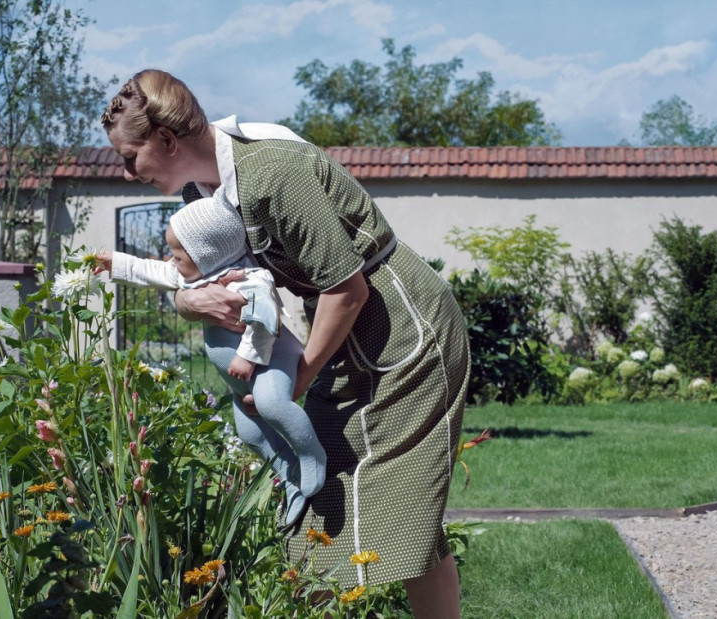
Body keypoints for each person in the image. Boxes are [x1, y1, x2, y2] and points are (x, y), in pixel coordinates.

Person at [100, 69, 471, 618]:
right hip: (350, 339)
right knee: (330, 499)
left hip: (405, 335)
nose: (128, 173)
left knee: (395, 510)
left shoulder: (270, 174)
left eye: (130, 158)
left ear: (167, 141)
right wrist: (187, 302)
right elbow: (202, 277)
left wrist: (298, 381)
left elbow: (347, 288)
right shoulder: (207, 192)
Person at [94, 189, 326, 526]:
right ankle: (289, 474)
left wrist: (247, 357)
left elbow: (266, 319)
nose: (171, 260)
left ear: (206, 253)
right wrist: (114, 262)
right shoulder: (197, 275)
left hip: (270, 361)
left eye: (177, 254)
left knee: (274, 405)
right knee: (250, 434)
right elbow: (152, 271)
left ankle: (311, 455)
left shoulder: (250, 279)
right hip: (240, 380)